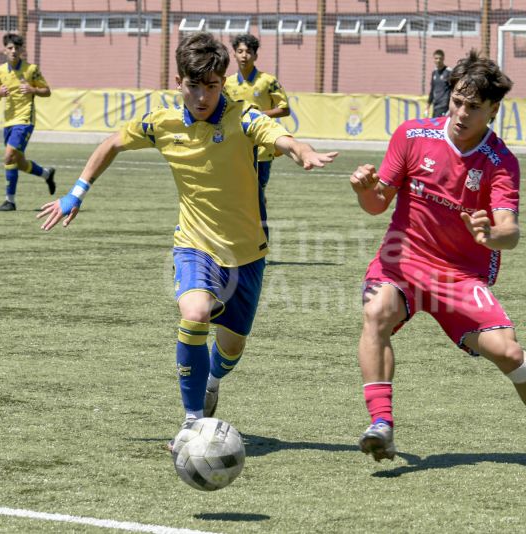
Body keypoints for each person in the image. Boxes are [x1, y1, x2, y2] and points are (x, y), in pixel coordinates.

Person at [37, 32, 337, 447]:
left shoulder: (243, 116)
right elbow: (113, 143)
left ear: (223, 83)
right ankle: (193, 420)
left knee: (230, 350)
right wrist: (76, 193)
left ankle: (211, 380)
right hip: (194, 244)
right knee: (194, 314)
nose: (202, 96)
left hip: (246, 254)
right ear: (178, 82)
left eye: (211, 86)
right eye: (193, 86)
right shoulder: (162, 123)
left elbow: (280, 137)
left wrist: (301, 151)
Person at [349, 50, 526, 474]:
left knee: (510, 354)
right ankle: (381, 424)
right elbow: (376, 204)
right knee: (377, 312)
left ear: (493, 110)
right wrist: (364, 189)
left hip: (459, 276)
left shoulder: (500, 162)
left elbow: (510, 232)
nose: (460, 112)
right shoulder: (412, 135)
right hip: (402, 262)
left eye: (473, 106)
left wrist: (490, 235)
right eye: (457, 101)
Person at [224, 33, 291, 239]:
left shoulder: (268, 81)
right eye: (240, 51)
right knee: (238, 193)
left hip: (262, 150)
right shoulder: (227, 83)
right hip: (236, 148)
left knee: (256, 193)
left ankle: (259, 238)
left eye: (248, 52)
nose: (244, 55)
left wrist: (258, 116)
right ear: (234, 55)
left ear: (255, 55)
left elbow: (284, 109)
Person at [0, 33, 56, 211]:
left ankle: (10, 201)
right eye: (10, 48)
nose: (13, 51)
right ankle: (46, 174)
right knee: (19, 162)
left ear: (22, 51)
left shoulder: (31, 69)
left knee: (8, 156)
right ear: (4, 50)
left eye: (17, 48)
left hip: (25, 119)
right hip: (9, 121)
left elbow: (47, 91)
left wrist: (32, 89)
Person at [427, 49, 451, 118]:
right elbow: (432, 90)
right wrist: (428, 106)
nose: (438, 60)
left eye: (440, 58)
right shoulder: (434, 72)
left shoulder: (449, 72)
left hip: (444, 105)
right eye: (436, 58)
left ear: (443, 59)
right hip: (435, 106)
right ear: (433, 59)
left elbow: (453, 89)